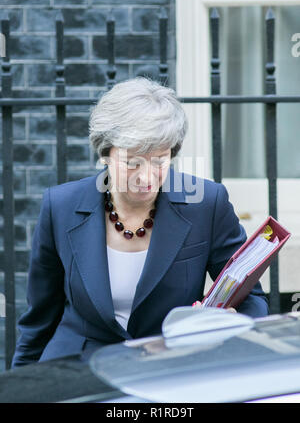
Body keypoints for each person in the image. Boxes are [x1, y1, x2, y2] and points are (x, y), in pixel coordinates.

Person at [11, 77, 268, 367]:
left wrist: (231, 322)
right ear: (105, 155)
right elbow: (40, 318)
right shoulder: (60, 206)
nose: (146, 178)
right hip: (78, 368)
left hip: (173, 364)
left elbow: (250, 298)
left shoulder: (207, 203)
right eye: (132, 162)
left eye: (159, 161)